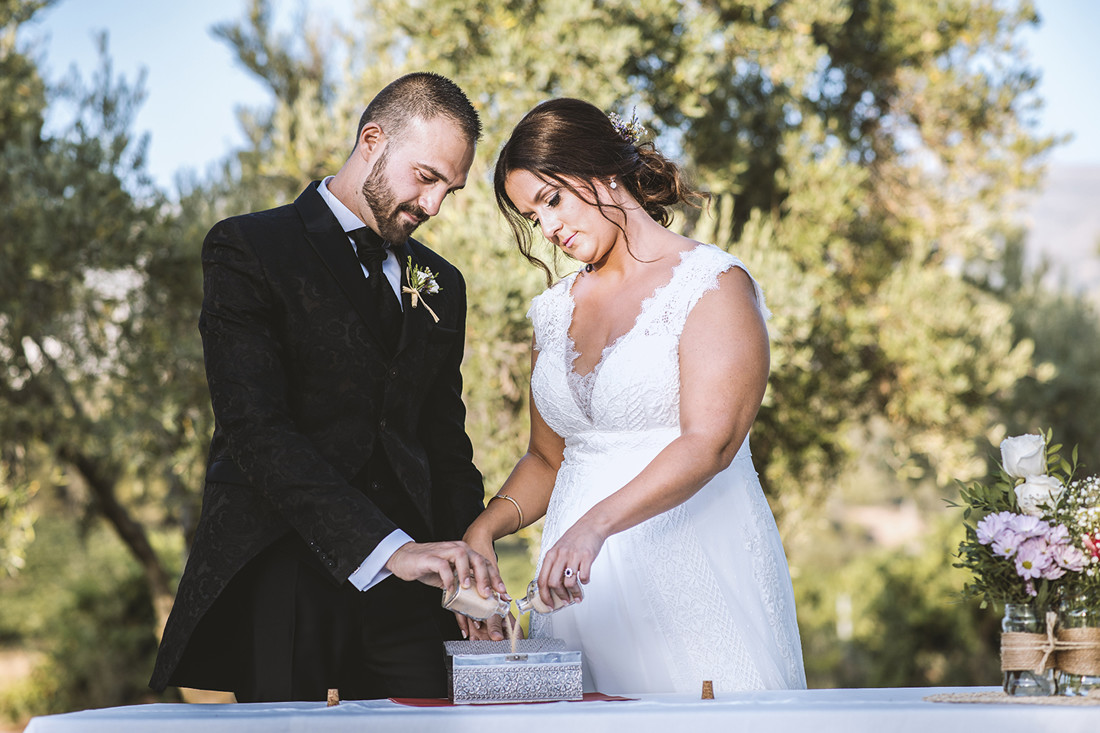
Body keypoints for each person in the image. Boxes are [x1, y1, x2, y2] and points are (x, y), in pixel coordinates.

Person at [150, 72, 506, 703]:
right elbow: (254, 429)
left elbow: (445, 443)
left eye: (449, 190)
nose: (434, 206)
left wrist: (469, 576)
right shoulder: (248, 247)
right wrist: (386, 549)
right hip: (286, 568)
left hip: (413, 590)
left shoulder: (442, 283)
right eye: (426, 177)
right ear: (372, 141)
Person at [462, 98, 806, 694]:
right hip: (578, 588)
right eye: (533, 217)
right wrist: (483, 531)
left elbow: (711, 442)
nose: (549, 229)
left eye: (552, 200)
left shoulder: (711, 284)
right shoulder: (552, 312)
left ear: (601, 169)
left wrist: (595, 526)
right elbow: (546, 459)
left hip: (690, 566)